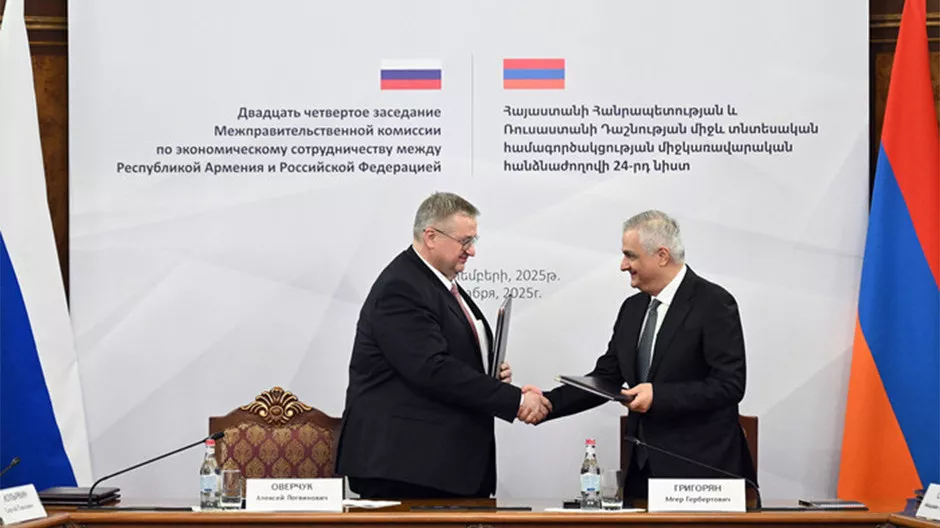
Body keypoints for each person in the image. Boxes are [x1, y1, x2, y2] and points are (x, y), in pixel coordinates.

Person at [335, 191, 551, 499]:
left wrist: (488, 372)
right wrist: (515, 400)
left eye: (473, 241)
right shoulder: (401, 287)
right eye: (465, 241)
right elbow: (431, 369)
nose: (471, 251)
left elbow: (445, 357)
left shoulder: (433, 283)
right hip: (405, 467)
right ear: (431, 236)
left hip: (435, 466)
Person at [528, 210, 756, 500]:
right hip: (641, 473)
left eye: (630, 256)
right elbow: (606, 378)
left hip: (699, 475)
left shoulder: (713, 303)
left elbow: (730, 385)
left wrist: (658, 396)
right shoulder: (632, 309)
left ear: (661, 256)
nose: (623, 265)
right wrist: (548, 403)